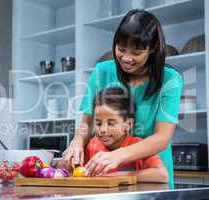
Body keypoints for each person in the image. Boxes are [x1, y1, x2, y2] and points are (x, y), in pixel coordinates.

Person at [62, 9, 182, 185]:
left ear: (154, 47)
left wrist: (117, 155)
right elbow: (87, 124)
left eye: (137, 52)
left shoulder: (170, 79)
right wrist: (77, 142)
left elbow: (162, 137)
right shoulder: (102, 71)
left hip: (152, 177)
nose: (126, 58)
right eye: (121, 48)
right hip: (109, 179)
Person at [57, 87, 168, 183]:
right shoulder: (92, 145)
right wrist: (65, 164)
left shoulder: (138, 146)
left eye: (111, 123)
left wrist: (113, 176)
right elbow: (66, 168)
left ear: (128, 124)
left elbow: (162, 175)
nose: (103, 130)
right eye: (98, 123)